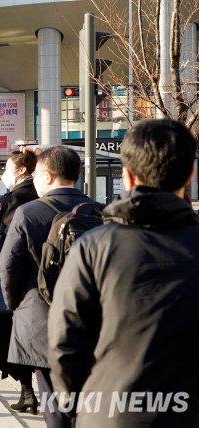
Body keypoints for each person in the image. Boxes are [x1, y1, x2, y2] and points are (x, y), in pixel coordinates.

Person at [48, 119, 199, 428]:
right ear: (190, 173)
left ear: (127, 177)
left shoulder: (93, 248)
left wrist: (76, 405)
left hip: (109, 412)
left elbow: (65, 341)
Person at [0, 146, 97, 428]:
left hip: (40, 318)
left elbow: (9, 266)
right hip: (89, 320)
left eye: (37, 177)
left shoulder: (28, 213)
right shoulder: (98, 210)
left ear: (48, 176)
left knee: (53, 403)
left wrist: (16, 304)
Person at [0, 151, 39, 414]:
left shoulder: (19, 196)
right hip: (41, 277)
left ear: (22, 169)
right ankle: (30, 394)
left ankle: (29, 393)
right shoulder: (36, 192)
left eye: (7, 167)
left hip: (18, 279)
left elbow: (13, 241)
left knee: (14, 337)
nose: (4, 172)